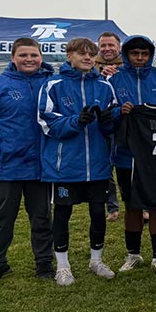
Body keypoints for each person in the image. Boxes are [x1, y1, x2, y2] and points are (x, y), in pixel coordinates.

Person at [38, 38, 118, 286]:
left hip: (97, 165)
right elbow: (45, 122)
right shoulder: (53, 84)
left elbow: (113, 124)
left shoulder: (105, 86)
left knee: (97, 212)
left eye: (91, 54)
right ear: (69, 56)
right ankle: (63, 266)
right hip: (65, 166)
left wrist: (107, 120)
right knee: (62, 213)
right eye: (81, 53)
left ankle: (96, 260)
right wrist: (76, 121)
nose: (87, 57)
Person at [109, 35, 156, 275]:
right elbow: (107, 112)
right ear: (126, 55)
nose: (140, 58)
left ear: (151, 55)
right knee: (132, 205)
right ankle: (133, 254)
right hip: (127, 155)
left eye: (144, 54)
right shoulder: (115, 80)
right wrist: (119, 112)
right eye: (135, 54)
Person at [0, 38, 55, 281]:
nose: (29, 59)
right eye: (23, 55)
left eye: (34, 55)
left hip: (40, 165)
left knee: (42, 217)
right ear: (13, 58)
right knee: (2, 219)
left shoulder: (50, 83)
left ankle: (44, 264)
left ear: (41, 57)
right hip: (7, 164)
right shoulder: (1, 83)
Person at [96, 31, 123, 221]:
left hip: (123, 123)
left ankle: (141, 206)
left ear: (118, 47)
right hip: (101, 124)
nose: (107, 49)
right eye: (103, 45)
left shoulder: (128, 64)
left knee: (128, 166)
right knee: (105, 166)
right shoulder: (91, 65)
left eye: (110, 45)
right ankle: (112, 207)